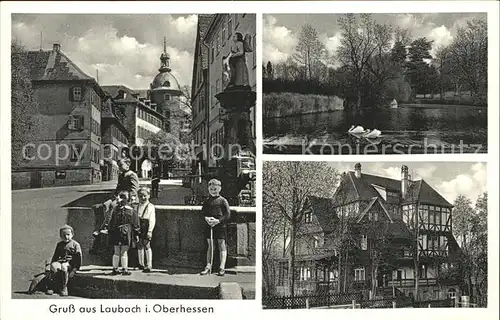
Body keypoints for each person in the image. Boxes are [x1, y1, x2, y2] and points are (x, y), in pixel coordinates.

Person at [93, 158, 139, 235]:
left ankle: (106, 227)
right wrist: (113, 197)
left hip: (128, 199)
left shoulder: (132, 175)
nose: (119, 167)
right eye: (118, 166)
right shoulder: (121, 175)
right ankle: (101, 226)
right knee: (105, 205)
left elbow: (134, 189)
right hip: (119, 197)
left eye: (121, 165)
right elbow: (118, 188)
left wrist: (128, 200)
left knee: (112, 206)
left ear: (128, 165)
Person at [104, 190, 140, 275]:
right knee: (124, 252)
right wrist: (136, 234)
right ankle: (124, 269)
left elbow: (111, 222)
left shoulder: (116, 210)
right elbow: (135, 224)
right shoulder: (132, 211)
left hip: (116, 231)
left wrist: (109, 231)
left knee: (116, 251)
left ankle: (115, 268)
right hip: (126, 232)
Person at [200, 179, 231, 276]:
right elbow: (203, 213)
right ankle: (208, 266)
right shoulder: (207, 201)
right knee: (210, 246)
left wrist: (218, 221)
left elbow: (227, 214)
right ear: (208, 189)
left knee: (221, 245)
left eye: (215, 189)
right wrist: (207, 219)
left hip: (220, 226)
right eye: (211, 189)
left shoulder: (223, 201)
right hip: (209, 226)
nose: (213, 191)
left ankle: (222, 267)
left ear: (219, 189)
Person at [49, 225, 82, 296]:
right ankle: (54, 286)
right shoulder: (59, 244)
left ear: (72, 235)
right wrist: (52, 264)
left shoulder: (75, 244)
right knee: (54, 266)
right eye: (63, 235)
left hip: (70, 263)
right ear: (60, 236)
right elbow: (55, 256)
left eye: (68, 235)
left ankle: (64, 287)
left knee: (64, 266)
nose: (66, 237)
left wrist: (74, 269)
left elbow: (78, 259)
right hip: (61, 261)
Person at [136, 187, 156, 273]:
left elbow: (152, 219)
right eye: (140, 196)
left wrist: (150, 231)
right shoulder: (137, 206)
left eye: (144, 196)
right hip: (139, 225)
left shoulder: (150, 206)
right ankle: (141, 264)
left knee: (147, 245)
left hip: (146, 226)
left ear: (148, 195)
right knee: (139, 244)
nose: (143, 198)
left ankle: (149, 265)